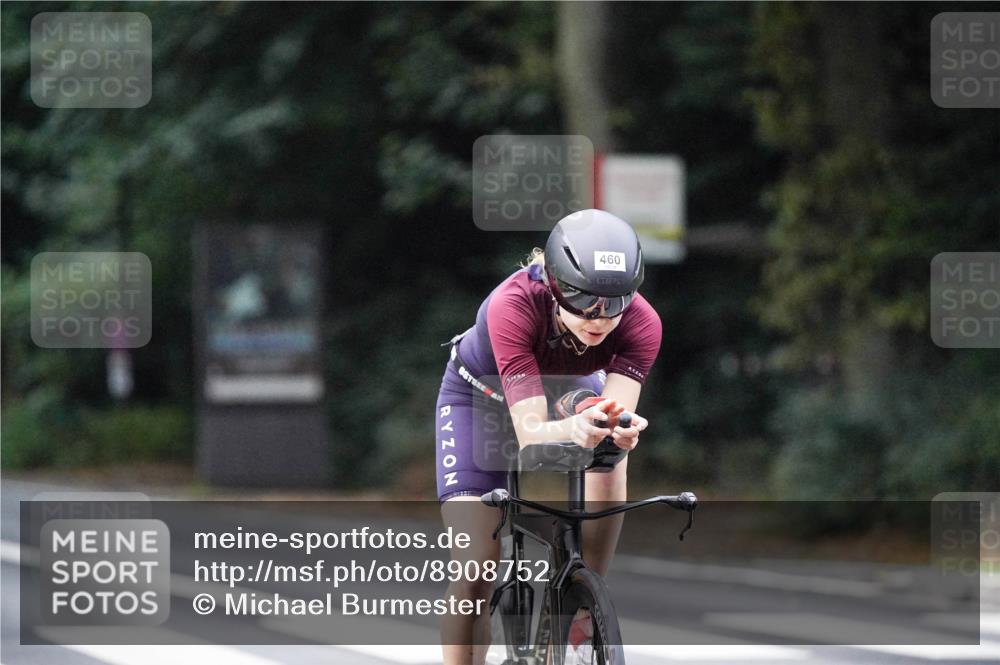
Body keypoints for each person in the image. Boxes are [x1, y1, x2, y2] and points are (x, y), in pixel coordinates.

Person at [436, 209, 662, 665]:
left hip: (567, 392)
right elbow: (533, 431)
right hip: (480, 397)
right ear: (555, 284)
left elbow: (614, 412)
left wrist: (614, 430)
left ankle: (581, 604)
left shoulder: (643, 322)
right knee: (476, 570)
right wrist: (573, 427)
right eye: (583, 300)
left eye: (615, 302)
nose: (599, 318)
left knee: (608, 449)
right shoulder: (513, 304)